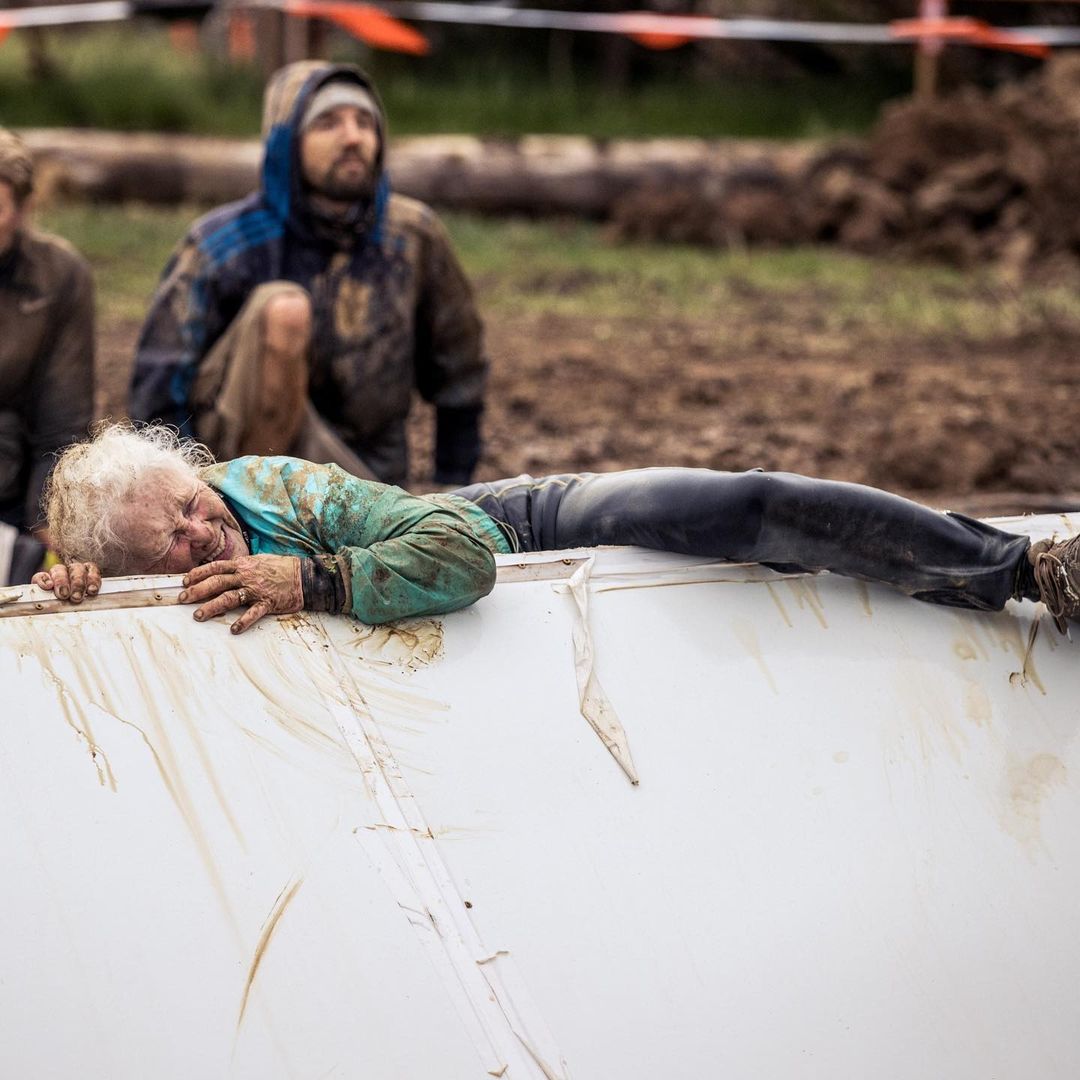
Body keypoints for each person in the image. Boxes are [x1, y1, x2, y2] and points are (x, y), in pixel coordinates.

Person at [33, 423, 1080, 638]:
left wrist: (311, 585)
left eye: (189, 501)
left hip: (509, 517)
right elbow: (62, 592)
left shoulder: (276, 490)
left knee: (734, 506)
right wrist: (70, 590)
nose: (199, 532)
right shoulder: (117, 572)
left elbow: (461, 549)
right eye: (166, 540)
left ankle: (1022, 567)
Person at [128, 60, 487, 489]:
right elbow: (159, 387)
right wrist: (184, 498)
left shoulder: (412, 237)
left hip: (370, 477)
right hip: (235, 471)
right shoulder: (224, 244)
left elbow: (460, 371)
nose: (353, 137)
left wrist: (453, 486)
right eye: (328, 123)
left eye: (365, 122)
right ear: (287, 143)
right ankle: (256, 517)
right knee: (284, 311)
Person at [0, 128, 95, 586]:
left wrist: (49, 524)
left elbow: (63, 420)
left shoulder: (60, 276)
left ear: (22, 210)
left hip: (12, 493)